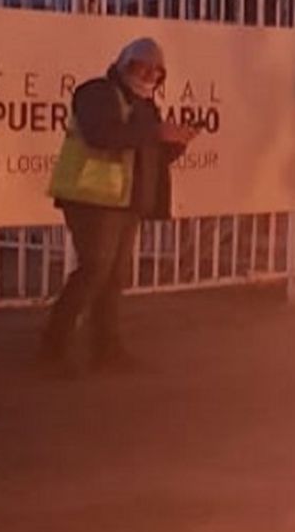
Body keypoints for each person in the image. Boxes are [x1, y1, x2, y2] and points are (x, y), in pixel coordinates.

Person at [41, 37, 197, 373]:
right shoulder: (96, 93)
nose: (149, 75)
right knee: (95, 271)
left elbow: (150, 154)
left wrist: (176, 142)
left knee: (112, 277)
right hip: (91, 199)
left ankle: (106, 350)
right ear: (124, 64)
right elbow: (103, 135)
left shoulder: (145, 105)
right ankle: (53, 350)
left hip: (125, 202)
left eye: (157, 71)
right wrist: (158, 133)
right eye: (142, 66)